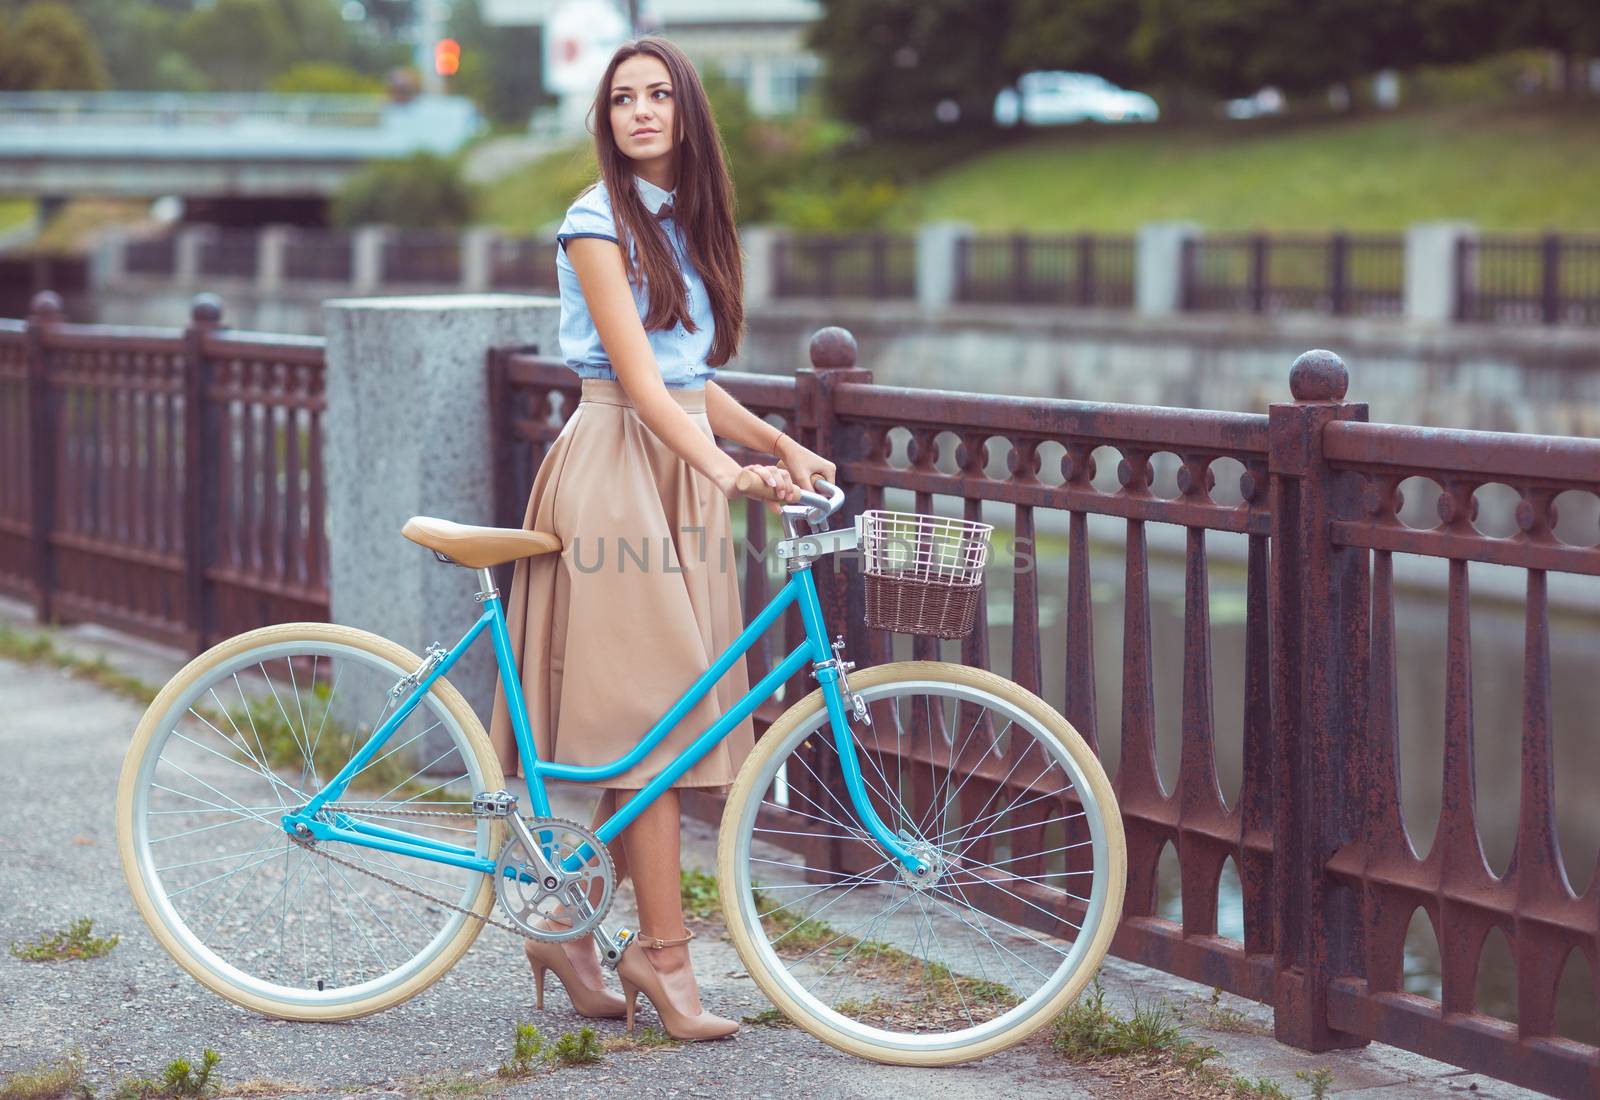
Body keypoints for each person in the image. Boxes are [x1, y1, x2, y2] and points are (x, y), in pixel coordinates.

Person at [485, 37, 837, 1042]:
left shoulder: (686, 222)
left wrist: (774, 441)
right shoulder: (596, 221)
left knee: (663, 718)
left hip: (677, 469)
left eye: (656, 95)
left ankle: (566, 925)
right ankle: (664, 960)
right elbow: (636, 382)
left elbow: (685, 375)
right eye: (622, 99)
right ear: (607, 120)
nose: (639, 111)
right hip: (617, 471)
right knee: (656, 722)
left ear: (687, 111)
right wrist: (728, 470)